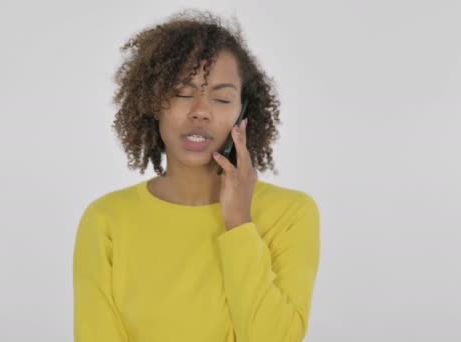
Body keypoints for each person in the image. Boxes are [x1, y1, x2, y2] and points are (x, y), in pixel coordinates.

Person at [73, 9, 321, 342]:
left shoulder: (291, 214)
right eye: (182, 93)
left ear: (243, 113)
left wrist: (239, 223)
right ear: (152, 102)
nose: (200, 112)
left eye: (221, 98)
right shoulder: (106, 220)